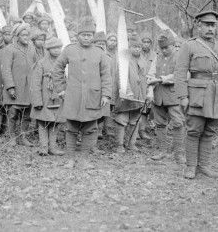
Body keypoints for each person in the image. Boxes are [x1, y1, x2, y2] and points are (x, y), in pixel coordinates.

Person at [175, 10, 218, 179]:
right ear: (198, 25)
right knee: (194, 131)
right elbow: (180, 73)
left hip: (217, 96)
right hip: (197, 96)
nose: (210, 29)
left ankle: (205, 166)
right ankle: (190, 167)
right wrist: (182, 96)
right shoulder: (189, 45)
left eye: (213, 25)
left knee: (210, 132)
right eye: (206, 25)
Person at [52, 17, 111, 168]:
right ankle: (70, 159)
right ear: (78, 35)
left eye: (89, 35)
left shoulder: (99, 53)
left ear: (93, 36)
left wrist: (105, 94)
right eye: (83, 35)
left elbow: (106, 75)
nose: (86, 37)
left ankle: (84, 160)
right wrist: (61, 90)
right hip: (73, 96)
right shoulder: (69, 50)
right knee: (71, 128)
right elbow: (57, 69)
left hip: (93, 97)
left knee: (90, 129)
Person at [147, 32, 185, 164]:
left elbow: (180, 74)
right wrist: (150, 89)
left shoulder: (180, 56)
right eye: (162, 48)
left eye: (166, 47)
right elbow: (150, 74)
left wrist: (161, 79)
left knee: (178, 123)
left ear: (173, 45)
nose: (164, 50)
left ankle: (179, 154)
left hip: (174, 96)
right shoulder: (157, 57)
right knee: (160, 124)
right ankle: (162, 151)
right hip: (158, 96)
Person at [112, 36, 151, 153]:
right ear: (129, 47)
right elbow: (121, 78)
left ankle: (131, 143)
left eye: (139, 47)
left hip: (140, 96)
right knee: (121, 119)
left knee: (135, 120)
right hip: (125, 96)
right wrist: (127, 91)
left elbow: (146, 78)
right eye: (134, 47)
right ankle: (119, 145)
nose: (137, 49)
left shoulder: (143, 61)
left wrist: (147, 94)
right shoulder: (123, 59)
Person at [1, 23, 37, 147]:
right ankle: (12, 137)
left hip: (29, 88)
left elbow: (37, 65)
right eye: (23, 35)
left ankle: (23, 137)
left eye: (27, 35)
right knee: (13, 113)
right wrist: (10, 87)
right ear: (17, 36)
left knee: (27, 114)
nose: (26, 37)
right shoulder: (10, 49)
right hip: (16, 87)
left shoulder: (32, 48)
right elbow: (6, 69)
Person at [31, 37, 65, 156]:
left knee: (56, 123)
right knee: (43, 123)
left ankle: (53, 147)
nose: (57, 50)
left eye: (59, 48)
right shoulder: (41, 63)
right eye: (54, 48)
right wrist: (37, 101)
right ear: (48, 49)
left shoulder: (64, 62)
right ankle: (43, 147)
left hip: (59, 97)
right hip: (44, 98)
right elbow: (35, 83)